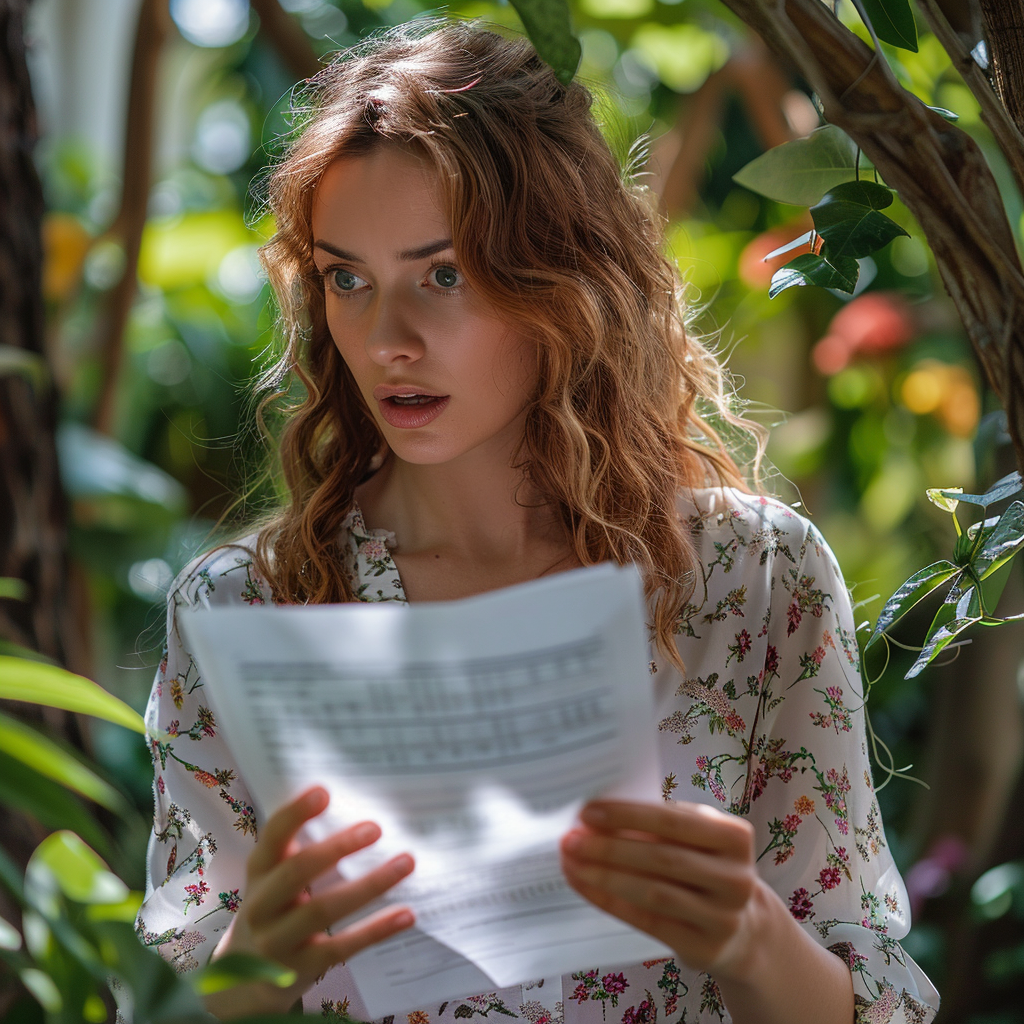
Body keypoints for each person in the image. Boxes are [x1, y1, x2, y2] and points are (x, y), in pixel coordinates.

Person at [135, 20, 939, 1024]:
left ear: (561, 279)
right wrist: (244, 972)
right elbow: (162, 998)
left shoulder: (753, 576)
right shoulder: (249, 608)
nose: (388, 339)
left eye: (444, 274)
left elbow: (871, 996)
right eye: (349, 279)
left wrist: (750, 936)